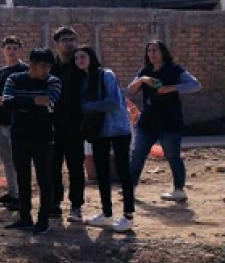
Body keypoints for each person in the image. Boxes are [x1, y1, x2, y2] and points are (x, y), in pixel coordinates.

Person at [127, 40, 202, 202]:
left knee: (172, 155)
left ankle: (179, 190)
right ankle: (130, 188)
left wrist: (171, 88)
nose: (152, 54)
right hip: (147, 121)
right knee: (138, 153)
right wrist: (142, 80)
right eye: (149, 51)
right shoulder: (145, 71)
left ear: (163, 52)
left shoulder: (174, 70)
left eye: (155, 50)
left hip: (170, 121)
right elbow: (130, 90)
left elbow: (195, 85)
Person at [0, 48, 61, 234]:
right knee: (22, 178)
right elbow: (7, 102)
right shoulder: (15, 79)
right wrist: (33, 102)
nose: (46, 70)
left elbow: (50, 102)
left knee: (44, 179)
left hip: (43, 138)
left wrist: (23, 104)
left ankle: (43, 221)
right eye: (43, 66)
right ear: (32, 65)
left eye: (49, 66)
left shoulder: (53, 81)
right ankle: (25, 217)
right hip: (19, 137)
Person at [75, 46, 135, 232]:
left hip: (118, 129)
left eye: (83, 56)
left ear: (92, 57)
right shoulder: (84, 80)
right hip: (99, 132)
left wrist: (86, 107)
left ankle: (128, 215)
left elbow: (114, 102)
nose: (79, 60)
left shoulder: (106, 75)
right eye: (76, 58)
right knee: (102, 173)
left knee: (123, 172)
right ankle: (107, 214)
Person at [49, 26, 86, 222]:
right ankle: (55, 202)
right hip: (53, 125)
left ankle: (76, 205)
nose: (69, 43)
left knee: (75, 167)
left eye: (72, 39)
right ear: (56, 43)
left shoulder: (80, 64)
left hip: (74, 125)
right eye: (64, 39)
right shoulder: (50, 66)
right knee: (53, 165)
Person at [0, 36, 28, 210]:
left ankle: (22, 196)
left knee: (20, 159)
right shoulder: (1, 72)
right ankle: (12, 193)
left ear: (20, 50)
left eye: (14, 48)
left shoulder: (25, 71)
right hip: (1, 121)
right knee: (6, 159)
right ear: (3, 50)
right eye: (8, 48)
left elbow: (26, 96)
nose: (11, 51)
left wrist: (4, 100)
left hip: (17, 122)